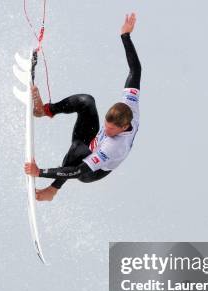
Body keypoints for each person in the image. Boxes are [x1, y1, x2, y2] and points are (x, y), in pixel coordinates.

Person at [24, 13, 142, 202]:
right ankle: (45, 110)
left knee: (78, 149)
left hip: (92, 172)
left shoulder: (116, 146)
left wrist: (41, 172)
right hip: (92, 145)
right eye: (107, 125)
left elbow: (79, 170)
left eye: (112, 129)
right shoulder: (129, 105)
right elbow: (135, 70)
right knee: (87, 101)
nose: (108, 130)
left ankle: (52, 191)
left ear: (124, 127)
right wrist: (125, 36)